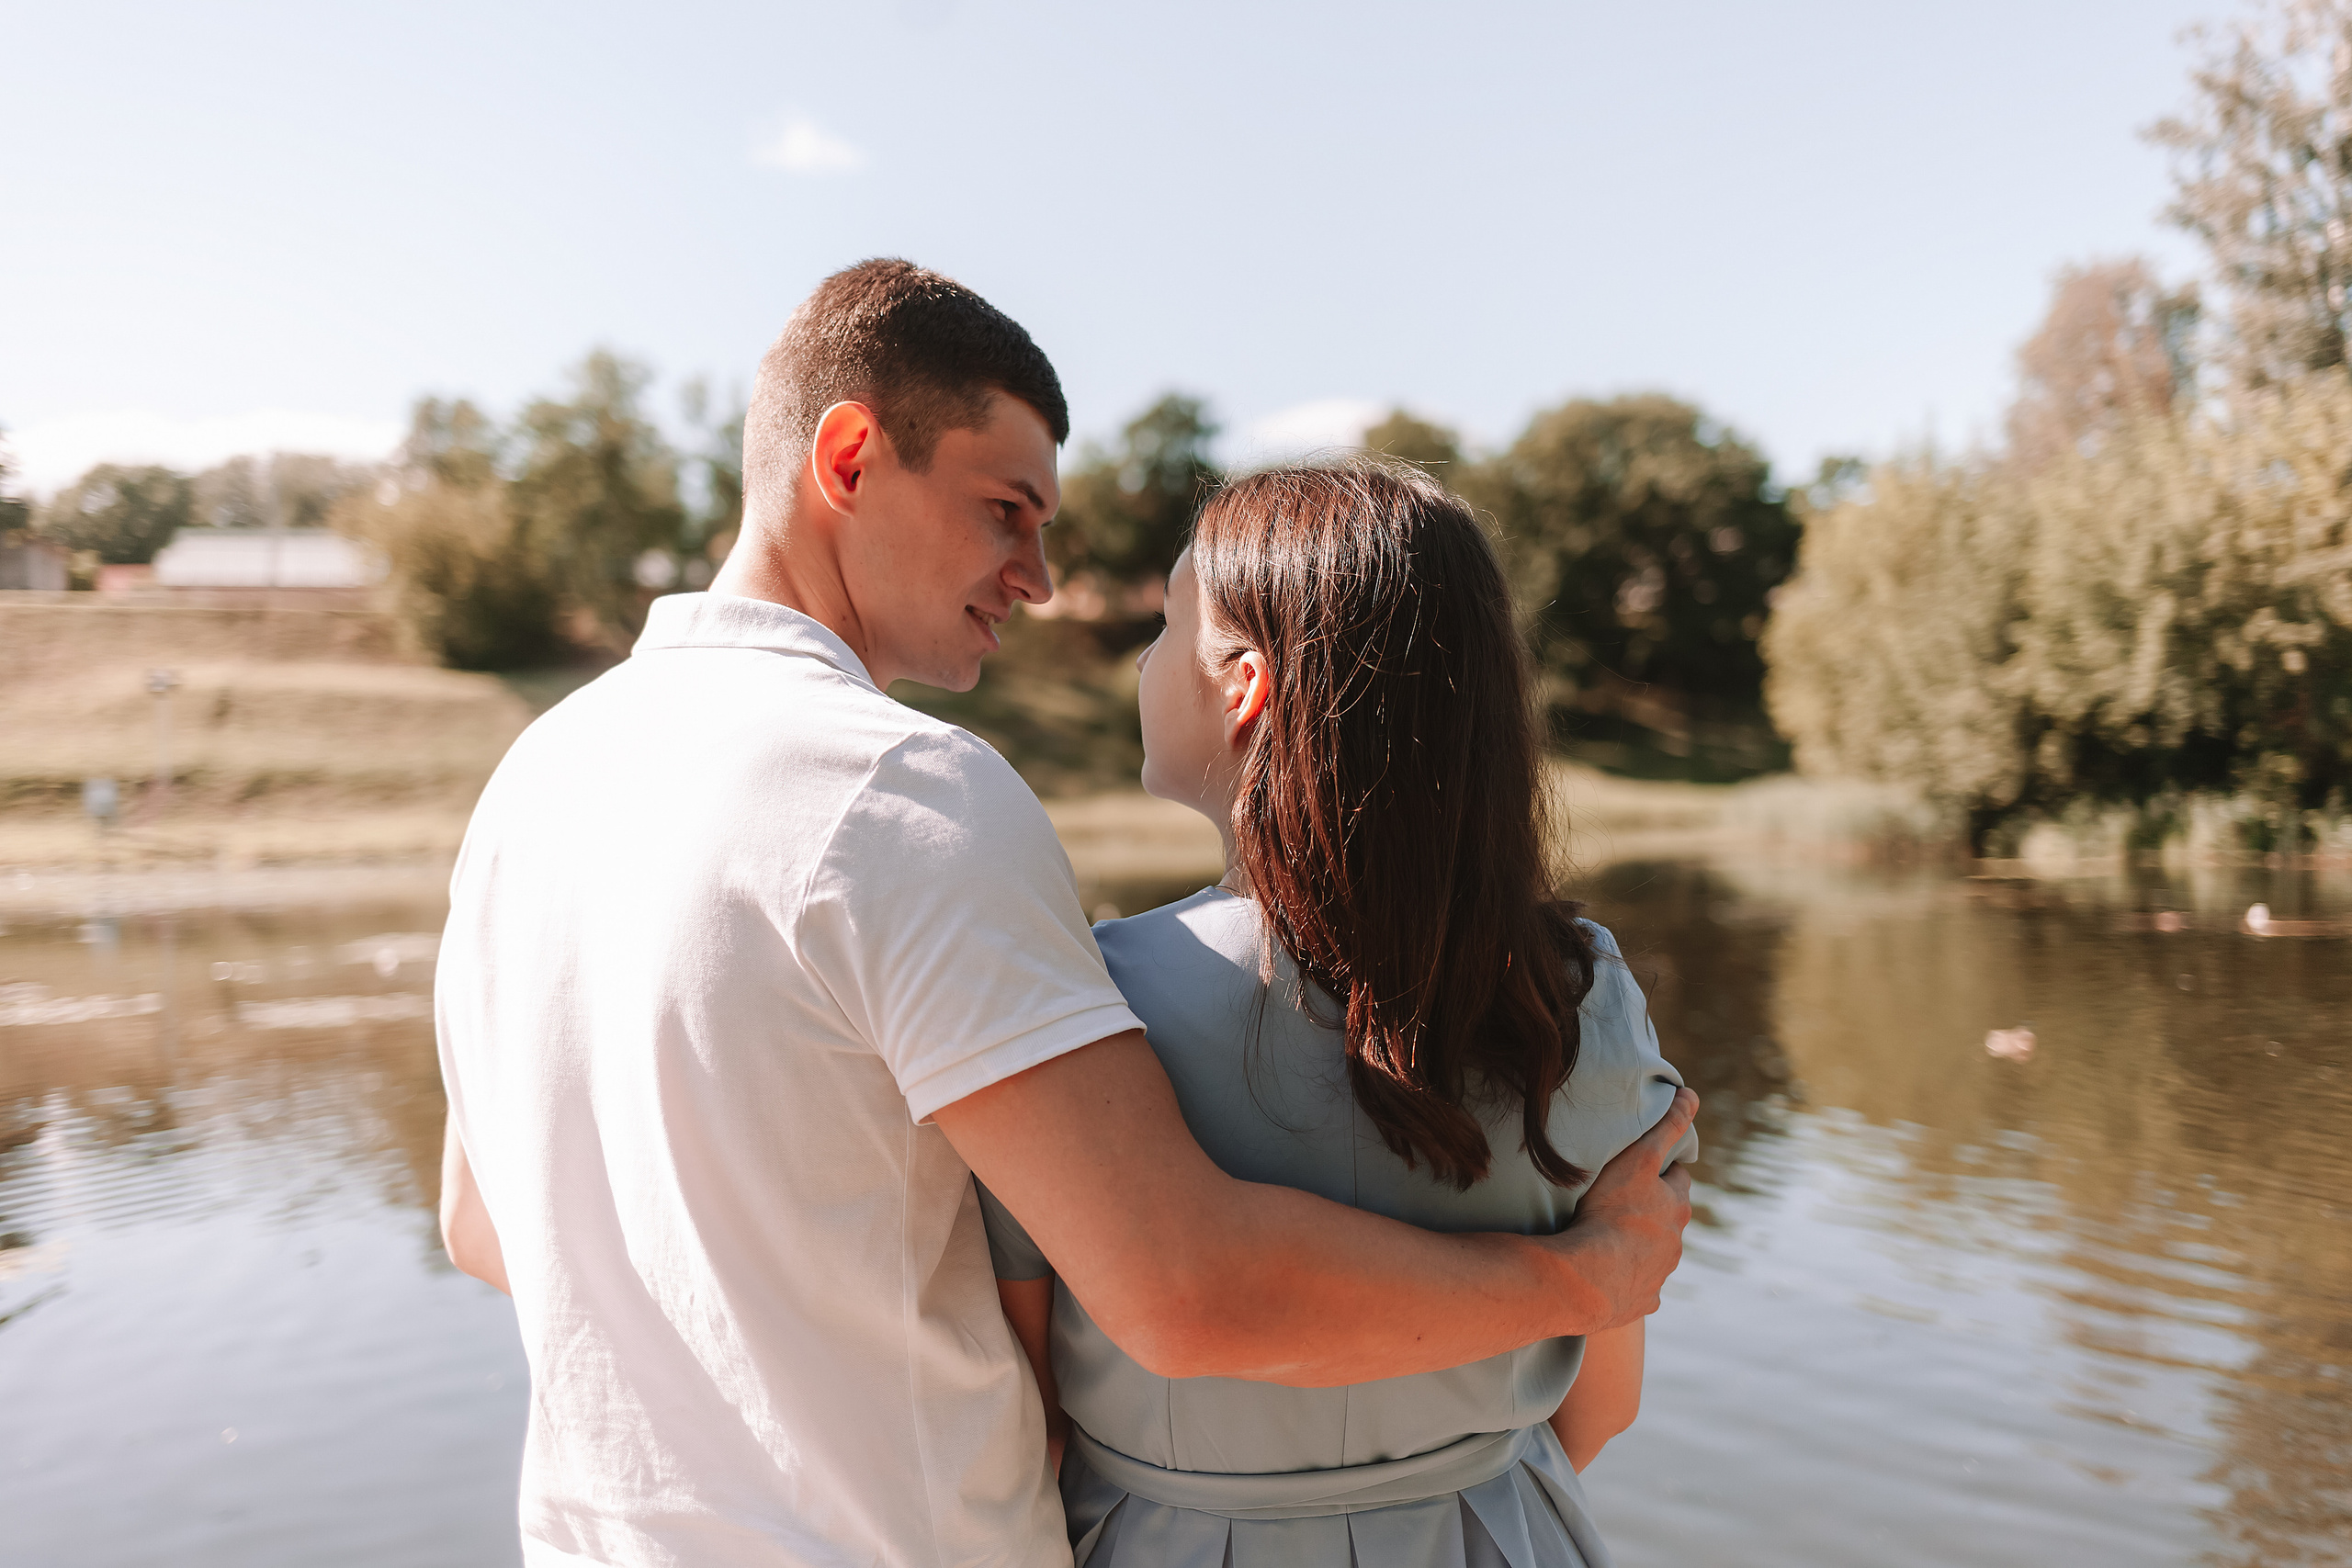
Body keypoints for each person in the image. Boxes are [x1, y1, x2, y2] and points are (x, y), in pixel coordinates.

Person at [434, 257, 1697, 1568]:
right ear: (852, 455)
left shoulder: (531, 781)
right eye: (1005, 509)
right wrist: (1585, 1280)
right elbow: (1182, 1290)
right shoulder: (898, 791)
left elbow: (483, 1224)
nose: (1037, 577)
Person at [979, 462, 1697, 1567]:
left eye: (1167, 625)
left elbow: (1027, 1410)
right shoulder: (1578, 991)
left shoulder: (1081, 1002)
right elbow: (1602, 1408)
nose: (1141, 659)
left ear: (1243, 685)